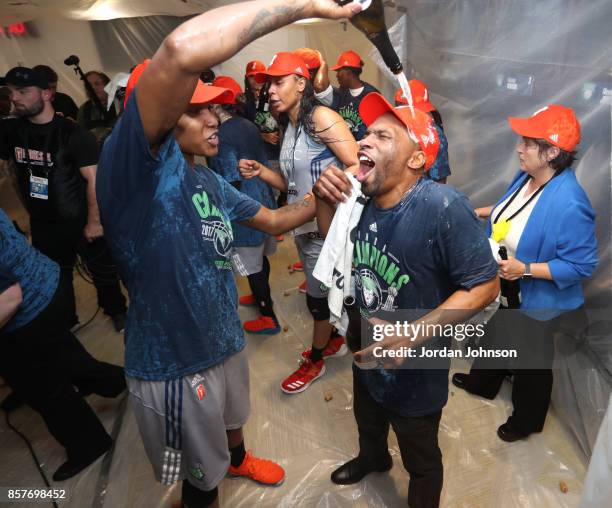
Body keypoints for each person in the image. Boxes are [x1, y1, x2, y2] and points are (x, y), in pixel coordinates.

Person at [95, 1, 363, 506]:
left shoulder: (205, 179)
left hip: (222, 340)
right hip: (176, 363)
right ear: (158, 117)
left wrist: (324, 191)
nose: (214, 117)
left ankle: (238, 459)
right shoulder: (132, 172)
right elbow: (177, 49)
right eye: (196, 109)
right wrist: (305, 7)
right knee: (200, 480)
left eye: (213, 106)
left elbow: (277, 220)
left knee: (233, 418)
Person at [312, 92, 499, 508]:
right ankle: (373, 457)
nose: (363, 141)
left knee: (421, 457)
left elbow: (486, 286)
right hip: (366, 342)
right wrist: (326, 201)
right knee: (368, 418)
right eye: (365, 133)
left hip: (416, 364)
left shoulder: (443, 207)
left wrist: (414, 335)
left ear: (416, 160)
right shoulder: (360, 199)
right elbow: (333, 246)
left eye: (382, 136)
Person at [452, 104, 598, 442]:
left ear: (551, 152)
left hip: (537, 299)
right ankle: (483, 382)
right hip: (510, 286)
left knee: (532, 361)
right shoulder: (529, 177)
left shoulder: (570, 203)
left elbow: (582, 265)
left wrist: (525, 269)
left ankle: (526, 420)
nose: (519, 148)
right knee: (499, 333)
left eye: (528, 143)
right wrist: (478, 212)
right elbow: (513, 212)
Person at [239, 51, 360, 394]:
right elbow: (294, 185)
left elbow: (358, 166)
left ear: (301, 82)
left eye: (278, 82)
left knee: (318, 302)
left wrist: (315, 199)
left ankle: (317, 359)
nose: (270, 91)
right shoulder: (289, 125)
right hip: (303, 230)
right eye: (268, 85)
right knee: (324, 298)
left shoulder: (321, 117)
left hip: (327, 230)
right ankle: (336, 337)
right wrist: (263, 171)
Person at [0, 208, 126, 482]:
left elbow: (9, 297)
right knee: (63, 356)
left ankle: (89, 444)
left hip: (31, 308)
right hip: (47, 287)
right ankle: (116, 382)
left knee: (42, 387)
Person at [0, 66, 127, 332]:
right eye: (12, 92)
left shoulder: (73, 134)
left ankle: (117, 311)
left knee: (103, 271)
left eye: (23, 92)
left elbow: (94, 180)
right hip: (44, 222)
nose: (16, 98)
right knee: (57, 276)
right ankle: (67, 319)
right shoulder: (13, 131)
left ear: (47, 93)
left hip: (81, 219)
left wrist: (94, 222)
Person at [208, 76, 280, 334]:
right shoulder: (248, 124)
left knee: (252, 262)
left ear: (217, 107)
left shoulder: (223, 134)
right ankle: (260, 295)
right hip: (263, 198)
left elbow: (231, 179)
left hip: (244, 208)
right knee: (259, 257)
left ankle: (267, 315)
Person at [313, 49, 379, 140]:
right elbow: (319, 86)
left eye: (339, 71)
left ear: (348, 72)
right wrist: (323, 64)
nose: (337, 75)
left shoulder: (372, 95)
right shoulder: (341, 93)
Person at [395, 79, 451, 183]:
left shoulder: (434, 134)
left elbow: (440, 181)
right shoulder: (392, 128)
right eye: (399, 108)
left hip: (422, 195)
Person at [77, 70, 118, 139]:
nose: (93, 88)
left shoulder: (120, 104)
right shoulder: (84, 109)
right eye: (89, 85)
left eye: (97, 84)